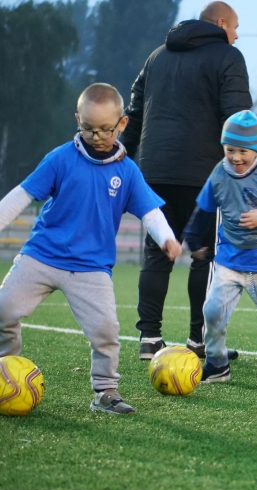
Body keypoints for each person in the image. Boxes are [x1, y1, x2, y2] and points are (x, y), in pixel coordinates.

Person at [0, 83, 179, 414]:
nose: (96, 136)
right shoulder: (60, 159)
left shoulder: (127, 171)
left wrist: (166, 238)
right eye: (88, 128)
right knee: (4, 308)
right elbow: (22, 195)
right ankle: (4, 372)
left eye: (105, 129)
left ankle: (105, 392)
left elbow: (150, 212)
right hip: (42, 255)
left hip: (91, 267)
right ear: (77, 121)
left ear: (122, 124)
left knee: (106, 331)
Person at [120, 1, 253, 360]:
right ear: (221, 23)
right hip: (204, 176)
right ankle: (200, 340)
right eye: (235, 27)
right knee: (205, 256)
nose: (237, 35)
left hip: (154, 171)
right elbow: (237, 119)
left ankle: (149, 338)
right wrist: (245, 169)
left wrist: (121, 155)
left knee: (156, 253)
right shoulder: (228, 56)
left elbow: (134, 114)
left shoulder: (157, 56)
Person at [182, 110, 257, 384]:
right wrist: (194, 241)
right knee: (212, 312)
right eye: (230, 150)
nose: (236, 157)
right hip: (229, 259)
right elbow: (204, 209)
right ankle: (217, 363)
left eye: (243, 151)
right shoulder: (219, 173)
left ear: (256, 150)